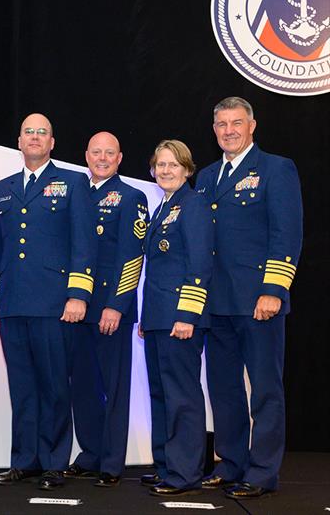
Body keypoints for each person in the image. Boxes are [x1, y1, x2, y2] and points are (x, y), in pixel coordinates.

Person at [196, 97, 303, 499]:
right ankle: (232, 461)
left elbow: (286, 233)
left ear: (252, 125)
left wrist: (274, 289)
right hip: (216, 303)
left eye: (236, 123)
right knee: (224, 390)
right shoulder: (206, 177)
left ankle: (261, 471)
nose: (229, 130)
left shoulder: (276, 169)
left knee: (264, 389)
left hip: (259, 300)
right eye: (221, 124)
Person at [0, 114, 96, 491]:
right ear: (19, 141)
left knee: (53, 386)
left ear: (52, 142)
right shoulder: (2, 188)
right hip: (13, 304)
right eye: (28, 132)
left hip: (54, 303)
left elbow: (84, 243)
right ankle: (24, 461)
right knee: (22, 386)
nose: (34, 137)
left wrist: (79, 294)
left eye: (42, 132)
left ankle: (53, 463)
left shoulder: (73, 182)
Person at [66, 132, 148, 487]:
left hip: (108, 310)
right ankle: (91, 453)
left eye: (109, 153)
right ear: (86, 155)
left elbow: (132, 258)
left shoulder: (131, 197)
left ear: (119, 158)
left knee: (113, 389)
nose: (102, 158)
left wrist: (116, 305)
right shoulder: (76, 193)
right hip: (75, 309)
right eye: (96, 152)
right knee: (81, 386)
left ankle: (112, 462)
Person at [139, 139, 213, 497]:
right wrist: (147, 317)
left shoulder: (193, 205)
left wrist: (187, 314)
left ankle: (185, 473)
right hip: (157, 318)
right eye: (160, 165)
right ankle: (167, 465)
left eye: (173, 165)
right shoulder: (164, 207)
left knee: (181, 396)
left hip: (180, 320)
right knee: (161, 395)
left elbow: (199, 264)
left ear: (187, 169)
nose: (166, 171)